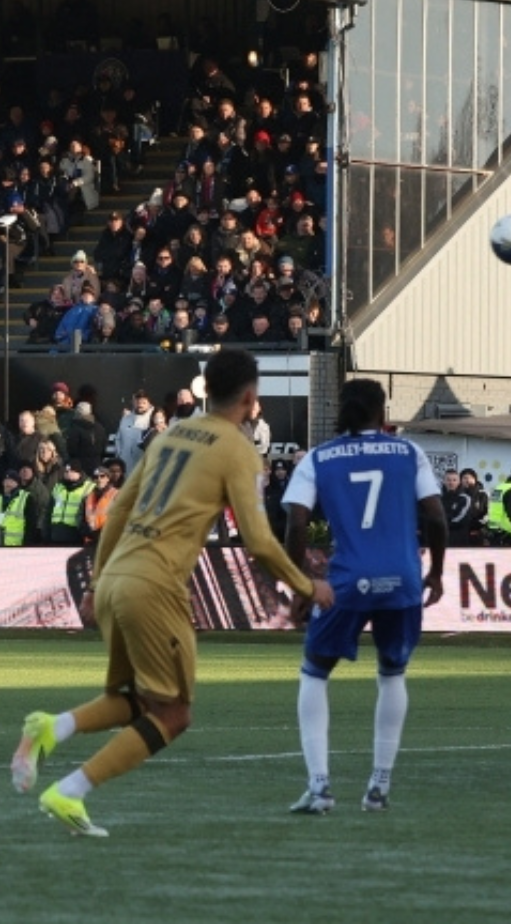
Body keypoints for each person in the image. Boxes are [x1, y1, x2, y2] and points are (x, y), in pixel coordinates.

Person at [10, 348, 332, 838]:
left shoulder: (171, 435)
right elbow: (260, 541)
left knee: (134, 699)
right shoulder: (238, 450)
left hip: (118, 576)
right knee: (174, 713)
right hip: (156, 585)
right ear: (251, 397)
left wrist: (97, 582)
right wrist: (311, 586)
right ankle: (69, 791)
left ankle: (50, 728)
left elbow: (117, 513)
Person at [283, 378, 446, 814]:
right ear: (382, 410)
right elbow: (436, 515)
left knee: (315, 672)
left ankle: (320, 787)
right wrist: (438, 573)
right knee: (392, 674)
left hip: (348, 581)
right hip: (403, 578)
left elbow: (296, 524)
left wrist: (300, 582)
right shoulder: (409, 453)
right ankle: (379, 787)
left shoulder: (319, 457)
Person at [116, 389, 154, 471]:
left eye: (143, 403)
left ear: (149, 403)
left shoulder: (153, 419)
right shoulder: (126, 419)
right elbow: (118, 438)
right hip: (125, 463)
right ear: (133, 402)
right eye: (138, 402)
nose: (140, 405)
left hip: (144, 465)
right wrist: (119, 454)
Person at [440, 469, 474, 547]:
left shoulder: (465, 498)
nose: (451, 483)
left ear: (459, 482)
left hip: (458, 541)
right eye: (448, 480)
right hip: (441, 541)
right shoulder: (439, 498)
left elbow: (461, 519)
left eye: (454, 480)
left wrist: (443, 523)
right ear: (444, 481)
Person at [458, 468, 490, 545]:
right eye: (464, 478)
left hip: (477, 533)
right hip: (460, 534)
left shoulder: (483, 494)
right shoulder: (458, 494)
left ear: (475, 479)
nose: (467, 480)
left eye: (469, 478)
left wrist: (477, 526)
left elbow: (488, 512)